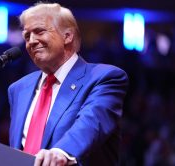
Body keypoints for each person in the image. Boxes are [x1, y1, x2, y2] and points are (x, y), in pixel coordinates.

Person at [8, 2, 128, 166]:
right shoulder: (18, 89)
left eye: (39, 31)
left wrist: (63, 152)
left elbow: (91, 123)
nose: (31, 41)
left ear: (67, 36)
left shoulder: (104, 78)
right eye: (27, 36)